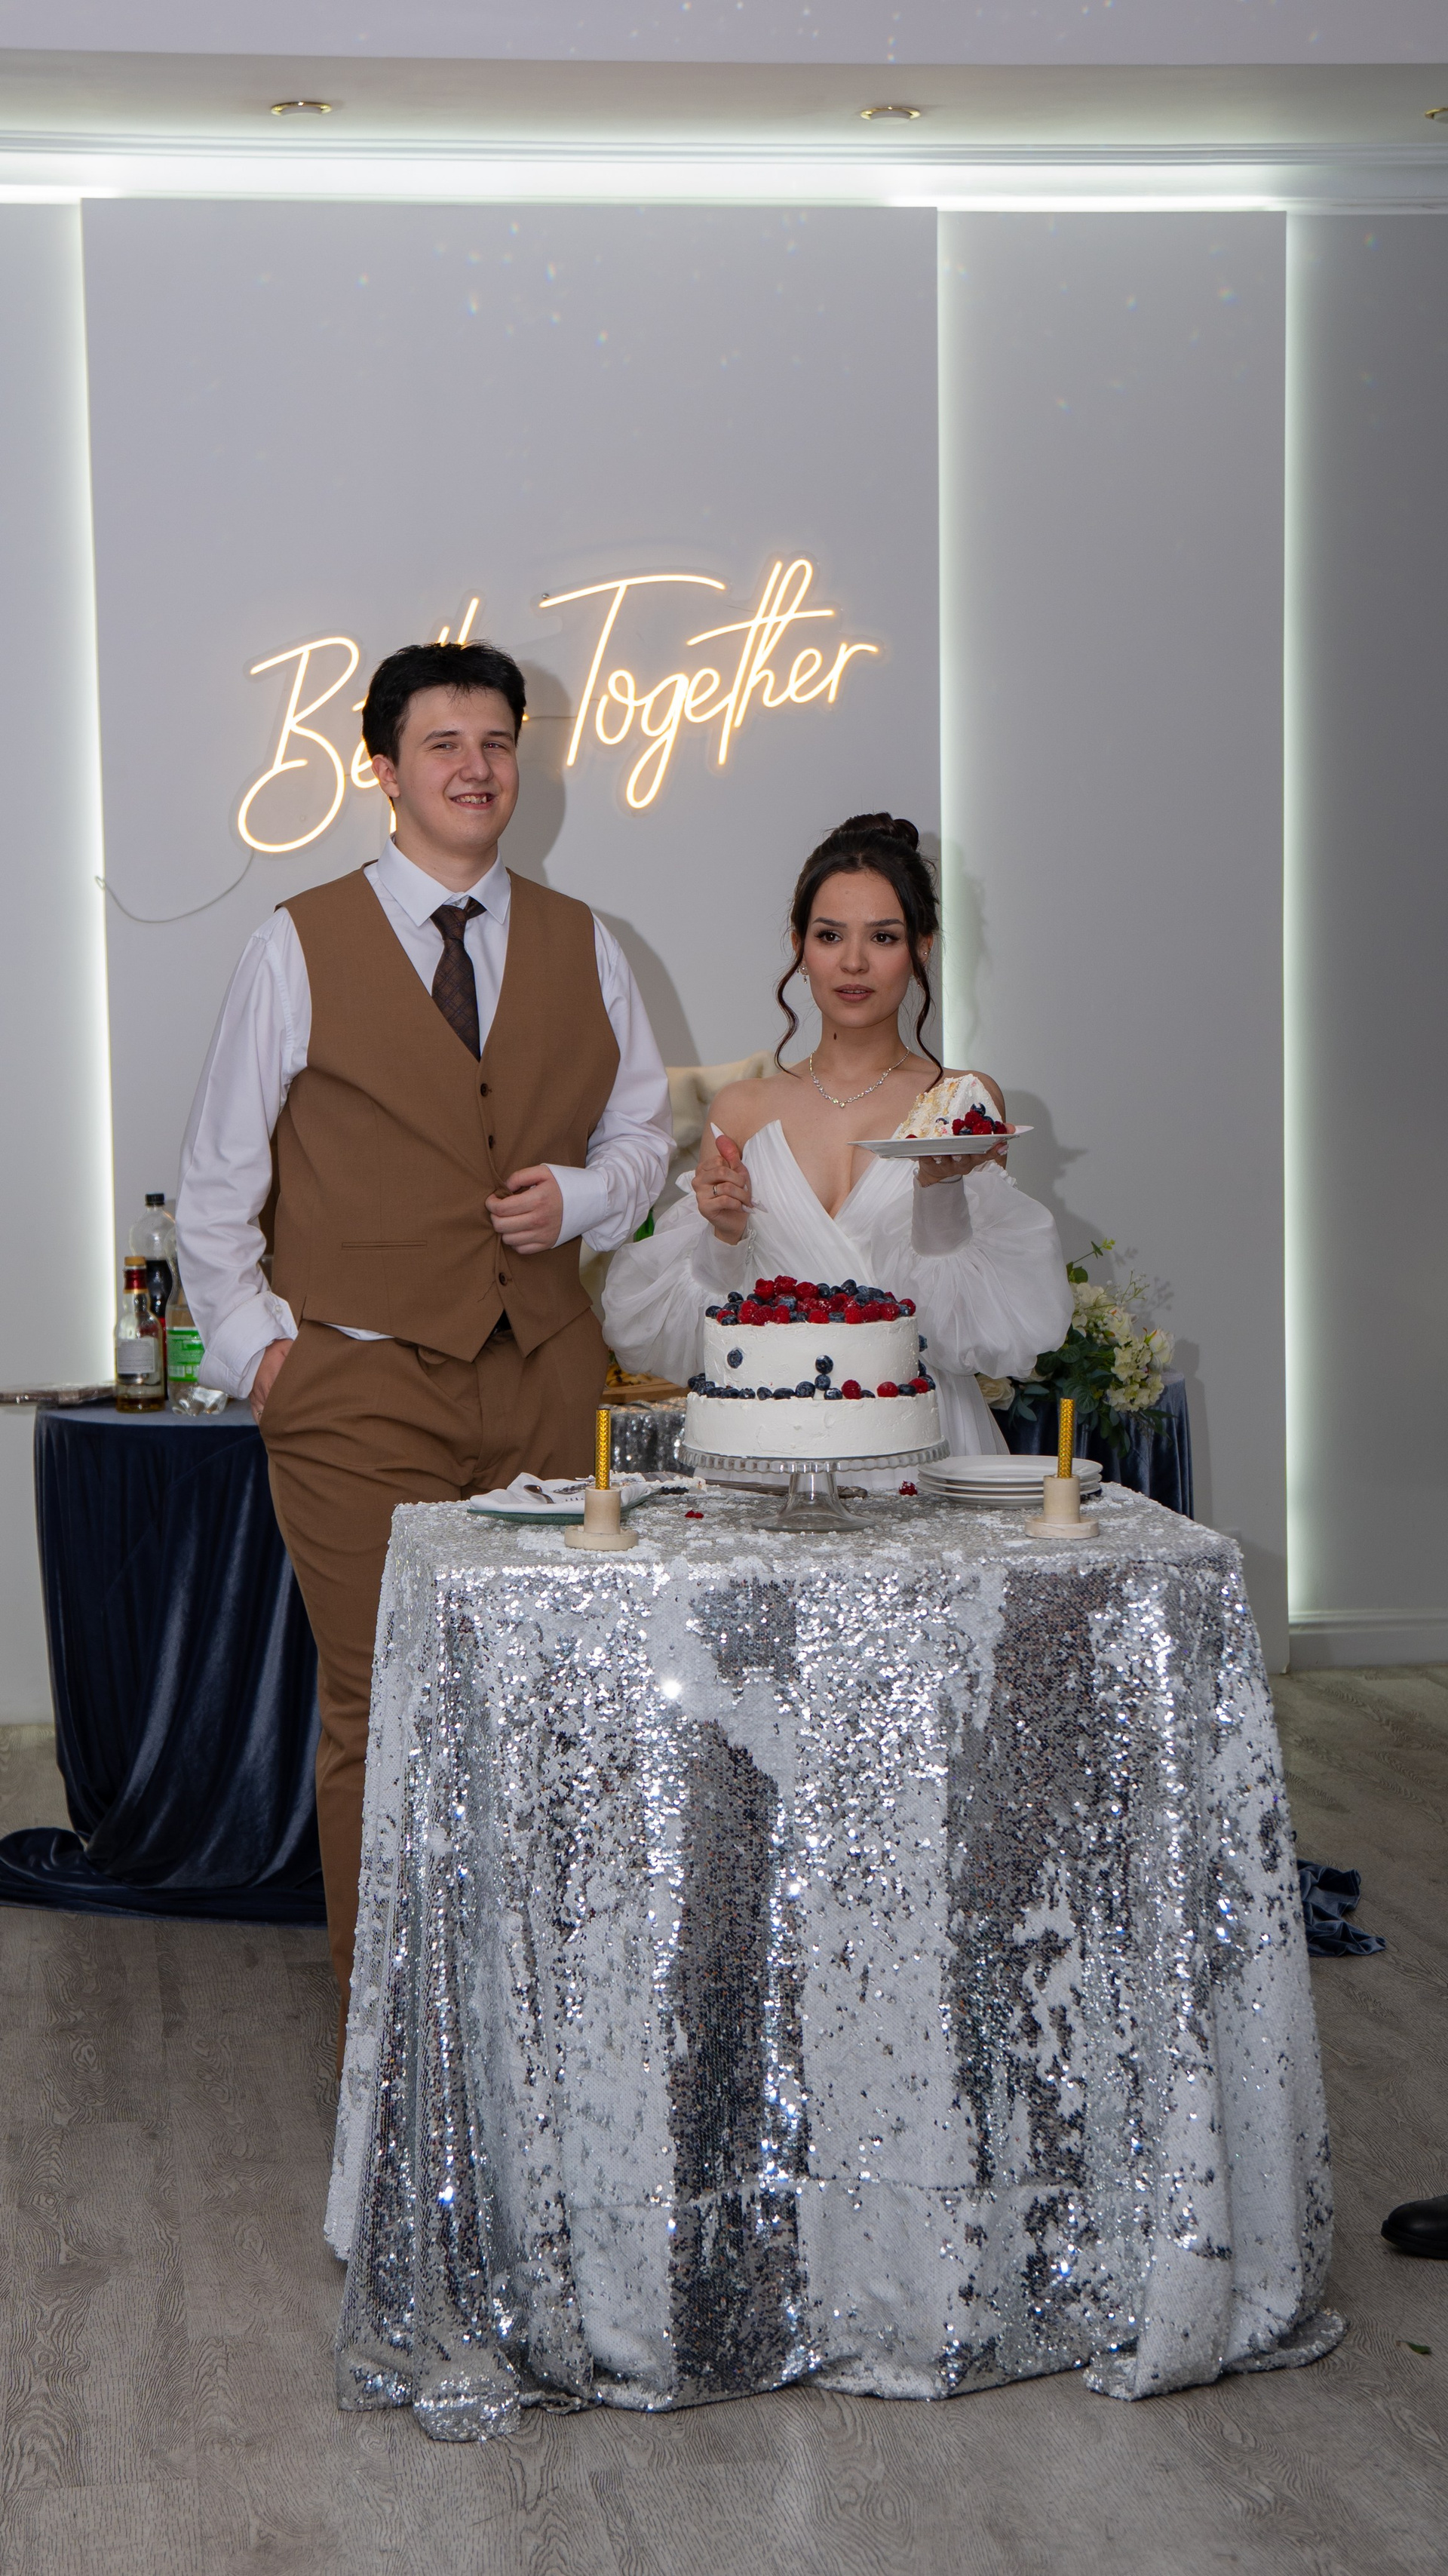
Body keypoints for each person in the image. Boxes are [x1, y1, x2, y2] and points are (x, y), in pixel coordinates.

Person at [176, 639, 672, 2041]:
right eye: (444, 743)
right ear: (384, 769)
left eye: (498, 741)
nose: (476, 766)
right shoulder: (295, 942)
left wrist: (584, 1194)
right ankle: (393, 2049)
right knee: (380, 1703)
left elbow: (645, 1134)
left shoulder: (589, 942)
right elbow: (216, 1183)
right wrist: (266, 1357)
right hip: (355, 1383)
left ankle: (555, 2029)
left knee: (558, 1696)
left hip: (547, 1373)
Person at [603, 812, 1071, 1454]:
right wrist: (724, 1237)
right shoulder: (741, 1109)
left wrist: (937, 1188)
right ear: (799, 945)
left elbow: (975, 1331)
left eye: (883, 937)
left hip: (925, 1438)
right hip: (777, 1446)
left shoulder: (960, 1101)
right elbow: (704, 1337)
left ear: (922, 946)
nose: (854, 962)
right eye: (829, 935)